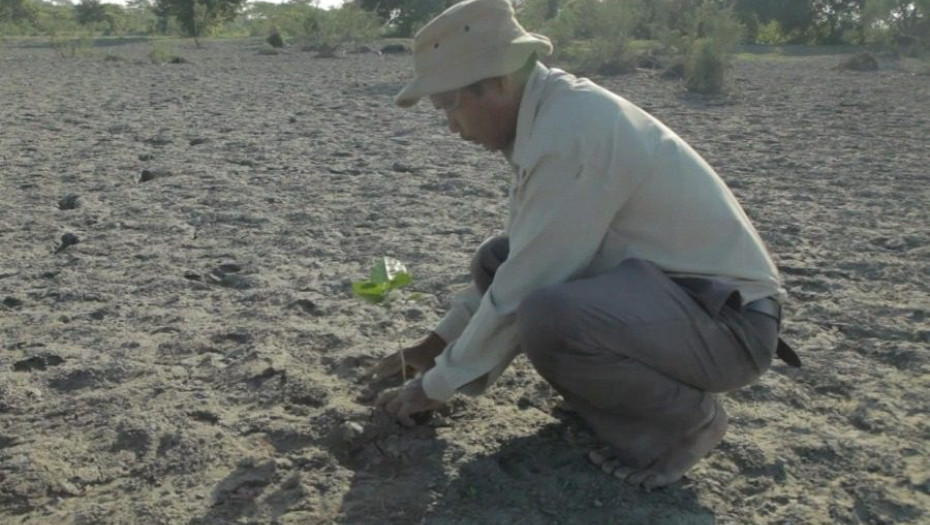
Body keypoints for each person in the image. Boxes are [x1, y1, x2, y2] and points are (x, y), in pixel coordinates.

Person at [372, 0, 798, 490]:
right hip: (675, 305)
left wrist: (434, 386)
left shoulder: (570, 133)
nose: (450, 126)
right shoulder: (552, 115)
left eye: (448, 104)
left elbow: (528, 285)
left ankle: (686, 423)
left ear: (497, 83)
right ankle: (617, 403)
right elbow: (522, 262)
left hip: (728, 328)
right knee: (498, 258)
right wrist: (437, 345)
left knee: (550, 316)